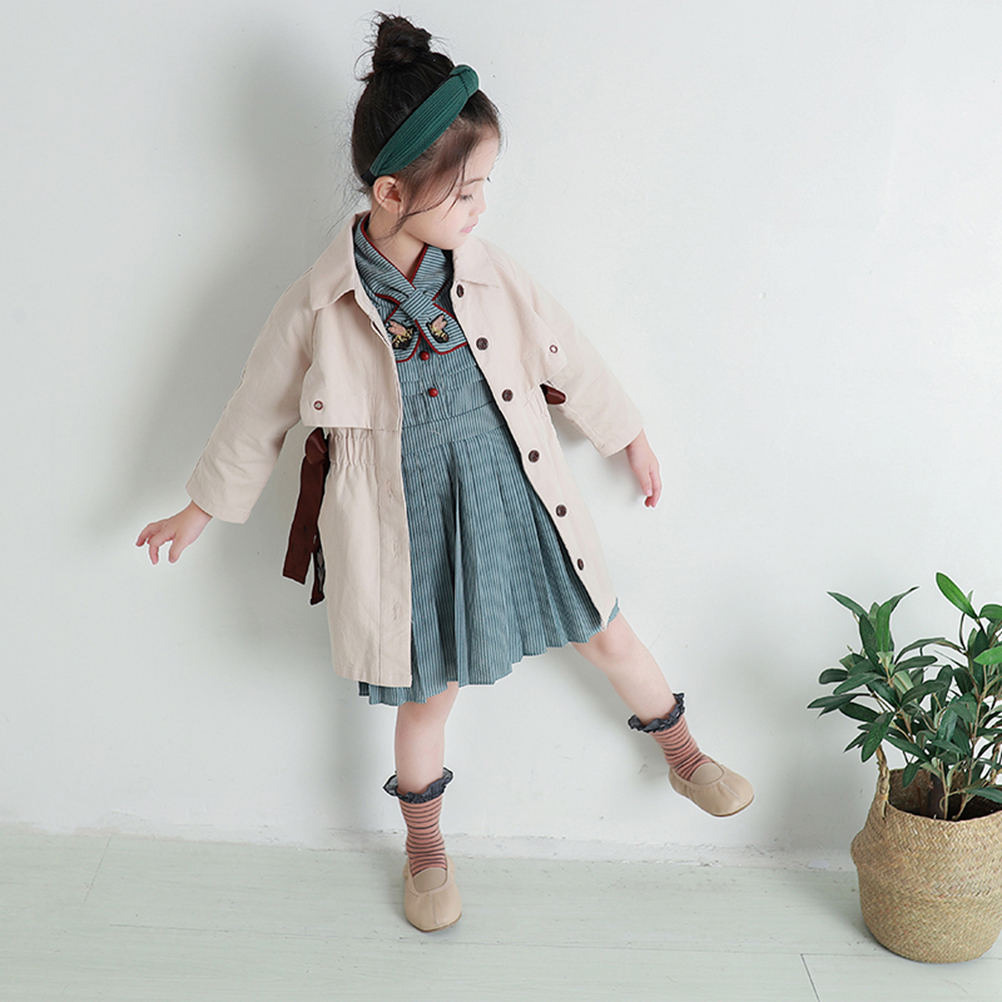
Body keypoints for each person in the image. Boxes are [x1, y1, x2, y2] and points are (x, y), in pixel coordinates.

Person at [137, 14, 752, 933]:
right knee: (428, 696)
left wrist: (624, 432)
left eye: (485, 186)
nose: (480, 208)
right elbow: (258, 406)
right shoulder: (318, 304)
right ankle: (425, 848)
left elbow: (562, 344)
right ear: (391, 191)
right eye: (465, 192)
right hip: (406, 528)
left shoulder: (486, 270)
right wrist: (200, 506)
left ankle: (685, 755)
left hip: (512, 493)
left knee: (605, 629)